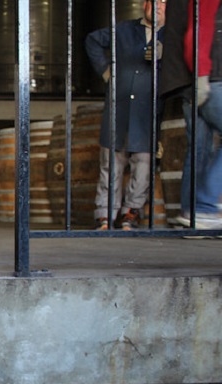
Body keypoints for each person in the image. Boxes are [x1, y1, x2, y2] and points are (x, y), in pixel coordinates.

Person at [85, 0, 166, 230]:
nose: (158, 5)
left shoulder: (171, 36)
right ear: (144, 4)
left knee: (143, 162)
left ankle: (131, 212)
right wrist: (106, 71)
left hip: (148, 109)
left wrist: (166, 55)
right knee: (112, 160)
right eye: (153, 1)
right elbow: (92, 40)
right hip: (119, 106)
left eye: (163, 1)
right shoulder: (124, 29)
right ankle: (105, 213)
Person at [173, 0, 222, 229]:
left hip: (202, 80)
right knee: (200, 149)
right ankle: (204, 206)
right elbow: (199, 30)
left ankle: (194, 212)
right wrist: (201, 74)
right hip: (211, 81)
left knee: (200, 149)